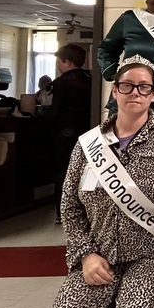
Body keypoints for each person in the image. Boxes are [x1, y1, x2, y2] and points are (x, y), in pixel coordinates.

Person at [48, 56, 154, 308]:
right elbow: (69, 206)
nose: (135, 93)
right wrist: (86, 255)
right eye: (127, 86)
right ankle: (112, 295)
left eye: (143, 87)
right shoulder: (88, 144)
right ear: (114, 91)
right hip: (100, 252)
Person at [47, 43, 93, 221]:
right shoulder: (89, 79)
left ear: (67, 62)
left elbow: (55, 111)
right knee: (84, 172)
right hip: (86, 132)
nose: (58, 65)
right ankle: (84, 211)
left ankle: (62, 211)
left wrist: (44, 128)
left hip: (65, 134)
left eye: (59, 61)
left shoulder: (62, 82)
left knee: (63, 173)